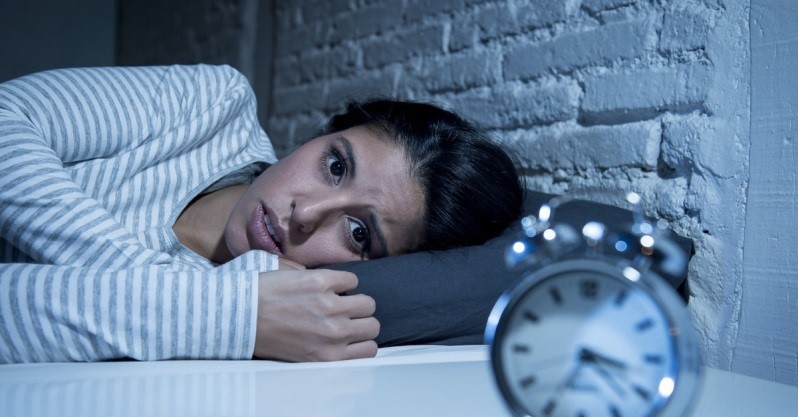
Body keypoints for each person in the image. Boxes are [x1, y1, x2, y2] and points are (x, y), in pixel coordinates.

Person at [0, 64, 523, 364]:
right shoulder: (210, 107)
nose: (307, 213)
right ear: (316, 137)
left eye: (359, 232)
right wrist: (223, 313)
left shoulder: (276, 308)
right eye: (334, 165)